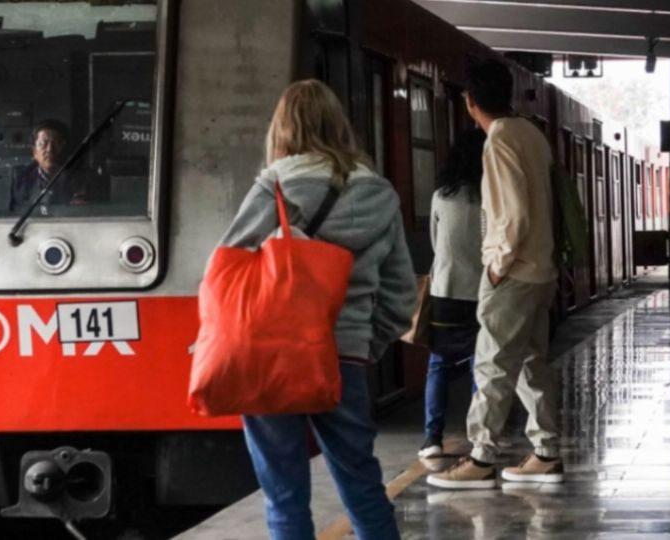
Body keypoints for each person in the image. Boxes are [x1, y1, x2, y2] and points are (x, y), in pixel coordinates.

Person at [217, 80, 416, 540]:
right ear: (339, 124)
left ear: (282, 129)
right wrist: (366, 344)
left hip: (272, 357)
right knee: (364, 487)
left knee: (284, 496)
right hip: (343, 357)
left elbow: (227, 268)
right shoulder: (380, 194)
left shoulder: (275, 186)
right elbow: (401, 292)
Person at [428, 59, 563, 489]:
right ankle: (545, 452)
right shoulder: (531, 133)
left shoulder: (500, 139)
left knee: (492, 364)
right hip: (541, 270)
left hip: (515, 271)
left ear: (470, 102)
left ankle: (481, 458)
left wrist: (496, 266)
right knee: (530, 363)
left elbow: (513, 214)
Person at [419, 128, 486, 459]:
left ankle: (432, 439)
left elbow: (436, 244)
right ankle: (478, 437)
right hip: (482, 293)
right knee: (480, 366)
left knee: (438, 366)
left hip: (445, 292)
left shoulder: (441, 197)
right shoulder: (491, 196)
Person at [10, 119, 84, 212]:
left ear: (67, 149)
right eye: (43, 144)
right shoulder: (20, 178)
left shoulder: (84, 178)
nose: (49, 149)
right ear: (34, 152)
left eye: (57, 143)